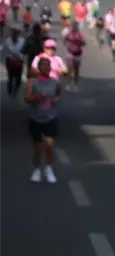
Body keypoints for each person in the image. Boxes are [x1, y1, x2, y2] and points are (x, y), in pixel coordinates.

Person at [26, 56, 63, 184]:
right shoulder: (33, 82)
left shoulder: (55, 82)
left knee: (49, 145)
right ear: (39, 68)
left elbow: (59, 93)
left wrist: (56, 99)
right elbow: (27, 98)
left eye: (48, 65)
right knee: (37, 147)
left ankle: (48, 168)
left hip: (50, 117)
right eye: (43, 65)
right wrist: (36, 97)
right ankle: (36, 170)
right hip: (35, 118)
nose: (46, 68)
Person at [63, 17, 84, 89]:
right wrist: (68, 43)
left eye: (76, 25)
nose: (74, 26)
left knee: (76, 69)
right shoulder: (69, 33)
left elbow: (84, 43)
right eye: (73, 25)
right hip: (70, 52)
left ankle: (75, 84)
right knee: (70, 69)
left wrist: (79, 42)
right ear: (71, 26)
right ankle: (69, 84)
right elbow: (65, 40)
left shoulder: (80, 34)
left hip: (78, 53)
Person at [4, 25, 25, 97]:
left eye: (16, 32)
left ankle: (16, 90)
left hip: (19, 62)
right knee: (10, 77)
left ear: (18, 33)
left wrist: (18, 57)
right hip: (10, 62)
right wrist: (12, 57)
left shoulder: (22, 41)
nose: (14, 34)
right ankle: (10, 91)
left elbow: (23, 52)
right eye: (13, 32)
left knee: (18, 79)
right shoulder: (8, 40)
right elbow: (6, 52)